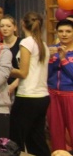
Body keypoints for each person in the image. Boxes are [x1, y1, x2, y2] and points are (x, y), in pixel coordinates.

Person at [8, 12, 50, 156]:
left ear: (22, 23)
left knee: (15, 138)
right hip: (42, 97)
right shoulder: (43, 44)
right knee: (36, 139)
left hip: (28, 97)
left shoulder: (26, 42)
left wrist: (4, 69)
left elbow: (23, 73)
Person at [47, 19, 73, 152]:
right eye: (61, 31)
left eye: (68, 31)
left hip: (70, 96)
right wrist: (50, 59)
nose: (64, 34)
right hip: (53, 95)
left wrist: (63, 59)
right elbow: (45, 75)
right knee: (56, 133)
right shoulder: (52, 50)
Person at [0, 16, 21, 97]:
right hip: (2, 85)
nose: (5, 29)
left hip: (20, 85)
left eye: (8, 26)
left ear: (15, 28)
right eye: (2, 26)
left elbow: (26, 70)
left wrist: (13, 86)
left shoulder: (22, 43)